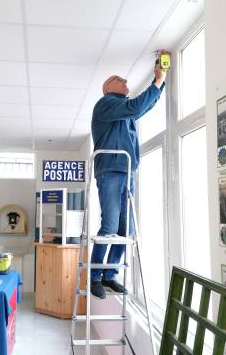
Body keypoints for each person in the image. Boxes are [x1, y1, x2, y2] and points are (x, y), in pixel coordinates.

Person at [90, 54, 168, 299]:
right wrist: (158, 79)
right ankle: (94, 275)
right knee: (110, 226)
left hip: (127, 173)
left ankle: (110, 274)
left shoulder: (123, 113)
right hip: (111, 172)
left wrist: (160, 83)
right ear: (108, 88)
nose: (126, 82)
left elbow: (142, 107)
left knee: (126, 230)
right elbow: (135, 106)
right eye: (119, 80)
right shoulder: (106, 104)